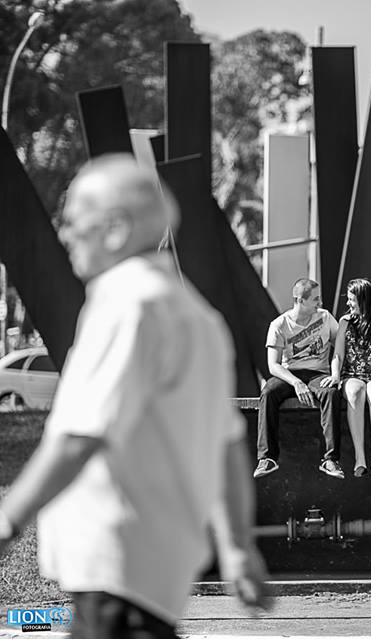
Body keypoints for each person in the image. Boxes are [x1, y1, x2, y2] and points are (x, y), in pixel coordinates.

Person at [0, 154, 269, 638]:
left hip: (113, 561)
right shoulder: (198, 316)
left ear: (117, 229)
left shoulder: (126, 302)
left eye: (73, 220)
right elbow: (226, 446)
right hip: (154, 572)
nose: (64, 234)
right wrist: (237, 546)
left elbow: (82, 436)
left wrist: (7, 519)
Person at [255, 278, 343, 479]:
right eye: (315, 299)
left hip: (318, 373)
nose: (320, 303)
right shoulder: (279, 324)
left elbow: (339, 349)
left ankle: (330, 459)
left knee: (331, 393)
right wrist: (296, 382)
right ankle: (267, 458)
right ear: (300, 301)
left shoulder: (326, 317)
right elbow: (273, 365)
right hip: (289, 374)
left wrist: (335, 375)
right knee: (268, 392)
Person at [329, 278, 371, 478]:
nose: (349, 304)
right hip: (351, 375)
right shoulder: (345, 322)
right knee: (355, 392)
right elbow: (338, 355)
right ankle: (360, 458)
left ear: (364, 300)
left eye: (352, 299)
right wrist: (335, 375)